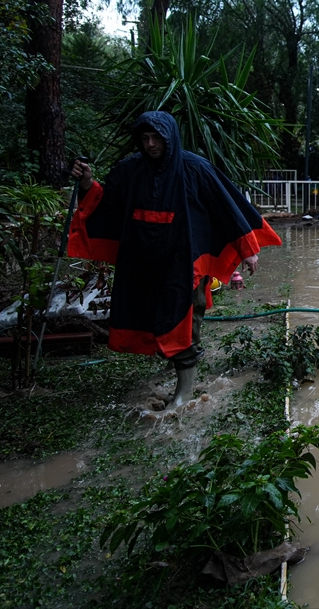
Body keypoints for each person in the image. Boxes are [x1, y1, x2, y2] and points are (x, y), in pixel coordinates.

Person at [68, 111, 281, 406]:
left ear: (170, 138)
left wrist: (248, 249)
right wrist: (87, 182)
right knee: (152, 316)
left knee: (184, 317)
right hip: (144, 262)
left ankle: (184, 390)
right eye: (145, 139)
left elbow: (226, 206)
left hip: (185, 262)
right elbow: (107, 202)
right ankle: (174, 366)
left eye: (157, 138)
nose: (151, 144)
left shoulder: (196, 168)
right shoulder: (130, 170)